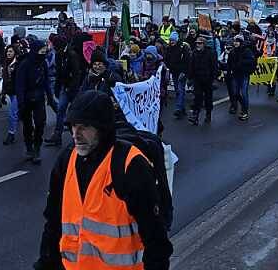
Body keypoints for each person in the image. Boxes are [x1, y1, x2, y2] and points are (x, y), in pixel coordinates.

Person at [34, 91, 173, 270]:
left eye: (84, 126)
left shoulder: (130, 166)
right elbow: (53, 222)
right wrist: (45, 263)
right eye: (73, 126)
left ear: (102, 128)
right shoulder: (66, 161)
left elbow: (156, 239)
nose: (76, 134)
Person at [15, 37, 58, 164]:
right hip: (27, 99)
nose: (43, 54)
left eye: (45, 51)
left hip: (39, 98)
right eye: (41, 51)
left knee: (40, 123)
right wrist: (21, 102)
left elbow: (45, 82)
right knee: (27, 126)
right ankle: (29, 147)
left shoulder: (43, 63)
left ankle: (37, 147)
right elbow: (20, 85)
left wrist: (50, 98)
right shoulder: (25, 65)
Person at [187, 35, 219, 125]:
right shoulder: (194, 53)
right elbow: (191, 66)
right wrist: (189, 78)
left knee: (208, 98)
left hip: (208, 80)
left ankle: (208, 113)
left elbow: (214, 67)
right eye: (197, 43)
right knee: (197, 97)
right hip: (197, 79)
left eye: (200, 43)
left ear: (204, 44)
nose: (198, 45)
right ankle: (195, 116)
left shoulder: (211, 53)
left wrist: (214, 79)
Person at [227, 35, 257, 120]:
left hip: (244, 74)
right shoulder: (232, 52)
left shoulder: (246, 50)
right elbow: (229, 64)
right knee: (235, 93)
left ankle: (245, 111)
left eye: (237, 41)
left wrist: (241, 62)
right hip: (235, 74)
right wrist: (228, 73)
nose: (235, 43)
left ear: (241, 42)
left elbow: (252, 60)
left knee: (244, 93)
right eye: (235, 41)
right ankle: (243, 106)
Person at [165, 32, 191, 117]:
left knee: (180, 90)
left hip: (181, 72)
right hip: (174, 72)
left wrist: (184, 72)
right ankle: (182, 108)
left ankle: (179, 108)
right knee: (178, 90)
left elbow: (187, 61)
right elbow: (167, 60)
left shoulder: (183, 48)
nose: (171, 41)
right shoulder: (169, 48)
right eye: (170, 40)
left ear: (176, 40)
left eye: (173, 40)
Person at [2, 45, 19, 145]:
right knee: (15, 112)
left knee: (12, 113)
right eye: (7, 51)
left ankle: (11, 134)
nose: (8, 53)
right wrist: (3, 93)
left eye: (11, 52)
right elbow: (5, 80)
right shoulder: (6, 63)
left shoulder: (18, 64)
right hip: (11, 91)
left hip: (17, 92)